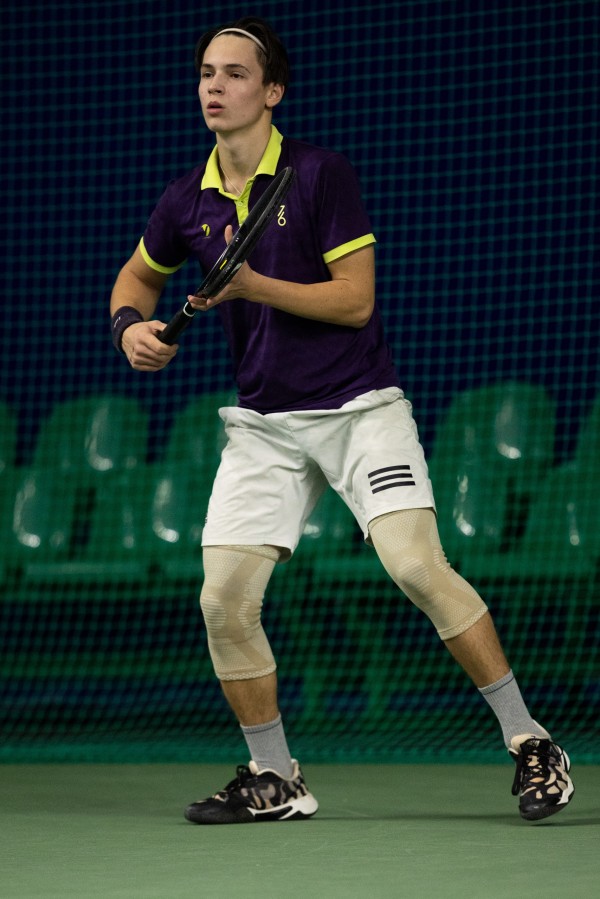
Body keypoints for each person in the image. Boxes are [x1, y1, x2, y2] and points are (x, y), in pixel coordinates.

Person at [110, 16, 574, 825]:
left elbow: (355, 301)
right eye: (207, 73)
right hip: (264, 424)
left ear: (273, 91)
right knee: (222, 599)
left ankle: (531, 740)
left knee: (415, 565)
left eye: (235, 74)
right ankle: (275, 775)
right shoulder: (187, 198)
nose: (215, 86)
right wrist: (129, 329)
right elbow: (137, 277)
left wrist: (253, 286)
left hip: (360, 410)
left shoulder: (320, 174)